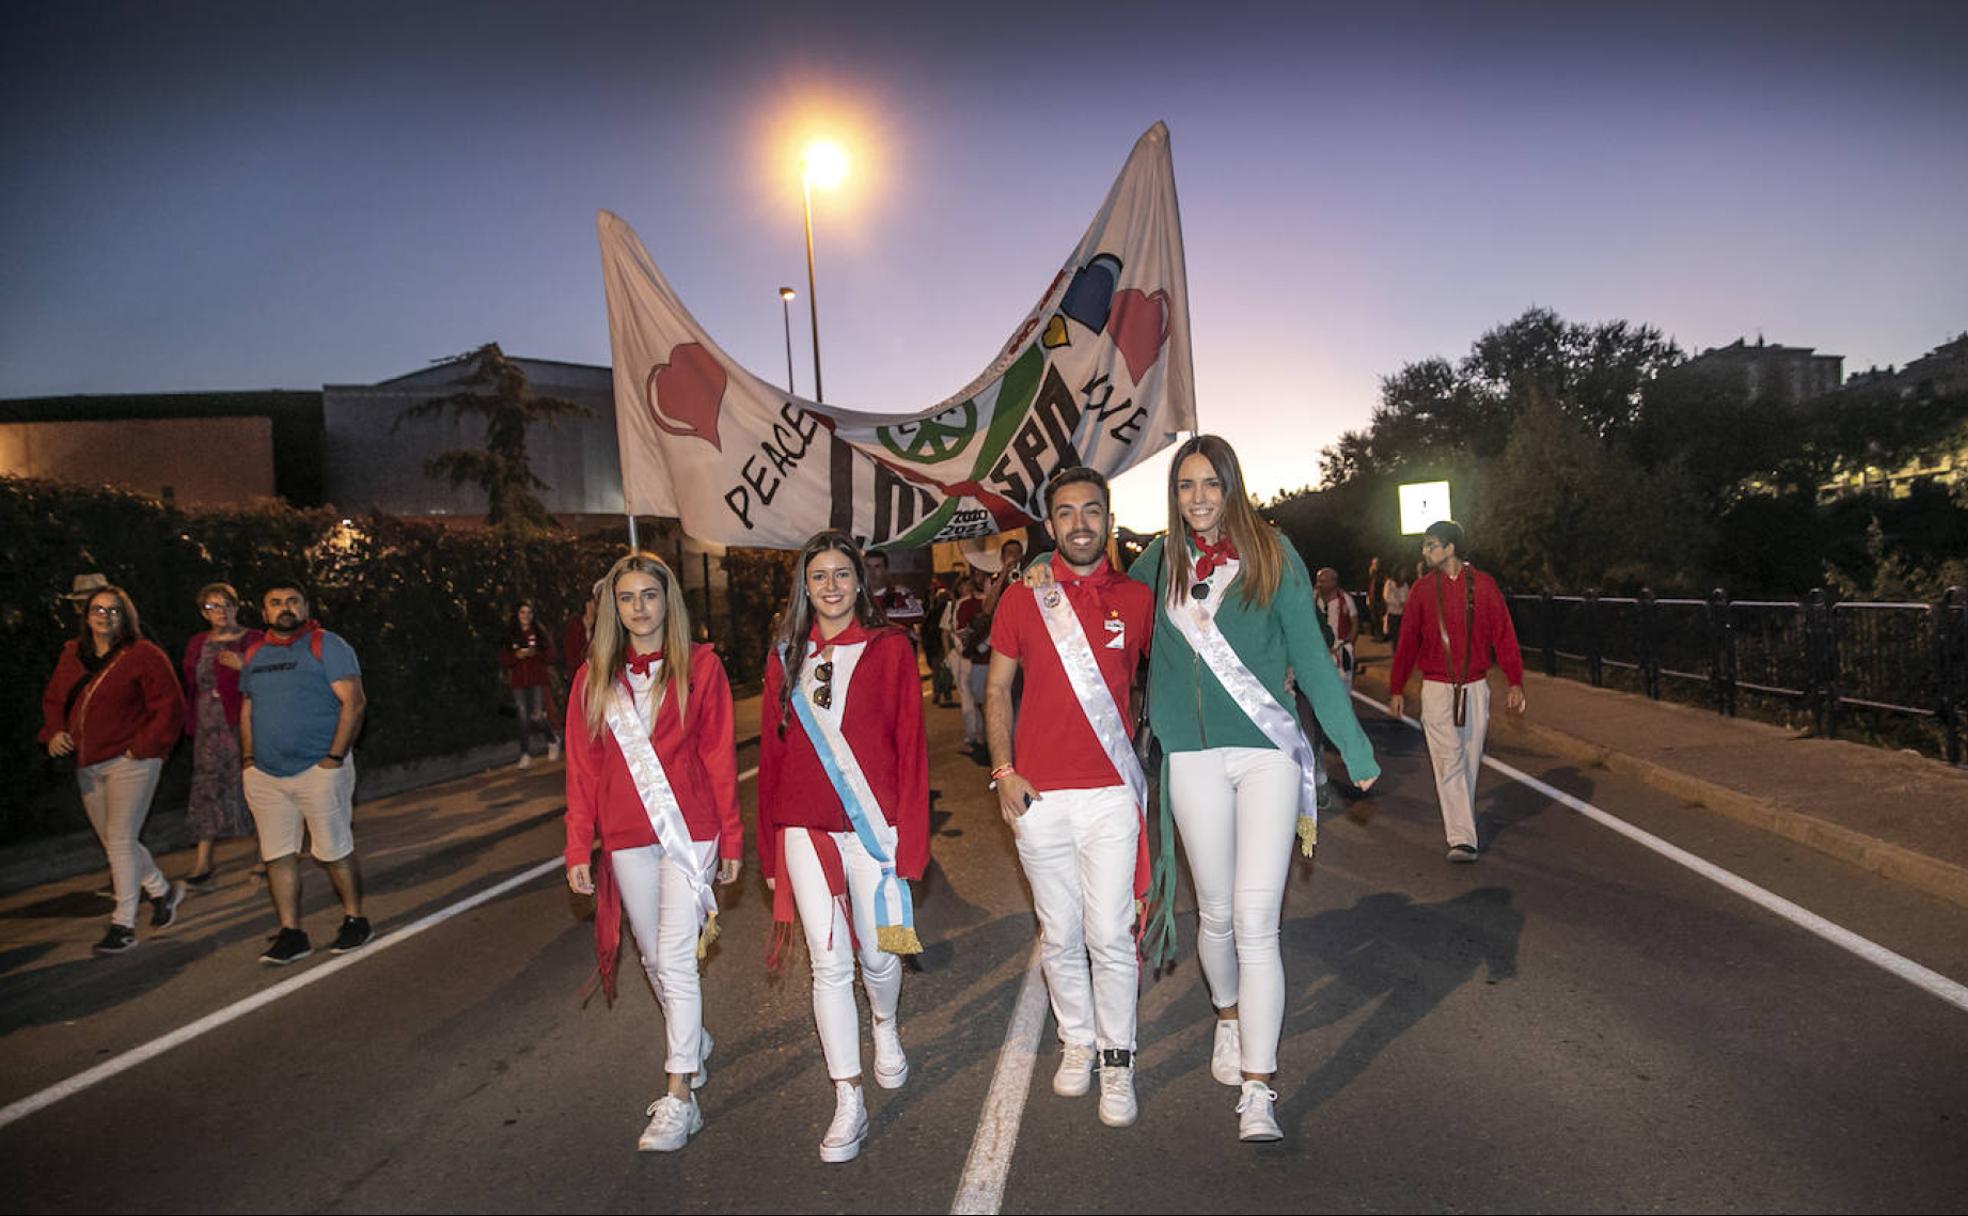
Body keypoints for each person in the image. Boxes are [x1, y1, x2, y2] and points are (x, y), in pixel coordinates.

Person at [1127, 434, 1378, 1142]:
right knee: (1215, 914)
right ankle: (1228, 1018)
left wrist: (1350, 744)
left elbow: (1310, 655)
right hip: (1194, 759)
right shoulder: (1161, 559)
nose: (1198, 498)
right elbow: (1104, 610)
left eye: (1211, 484)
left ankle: (1259, 1088)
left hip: (1266, 754)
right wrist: (1046, 577)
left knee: (1255, 918)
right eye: (1186, 486)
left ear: (1234, 487)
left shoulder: (1273, 554)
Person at [986, 467, 1153, 1128]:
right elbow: (996, 689)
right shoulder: (1024, 598)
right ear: (1049, 525)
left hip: (1111, 793)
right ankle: (1077, 1041)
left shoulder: (1139, 599)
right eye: (1066, 513)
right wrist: (1003, 769)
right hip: (1039, 797)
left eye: (1092, 511)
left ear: (1108, 520)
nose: (1079, 523)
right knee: (1060, 934)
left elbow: (1157, 685)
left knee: (1110, 932)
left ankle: (1118, 1057)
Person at [758, 530, 928, 1164]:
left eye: (841, 574)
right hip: (803, 827)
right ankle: (847, 1097)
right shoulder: (784, 655)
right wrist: (767, 848)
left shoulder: (890, 650)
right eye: (818, 576)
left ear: (861, 581)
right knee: (828, 963)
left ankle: (885, 1024)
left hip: (875, 831)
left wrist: (911, 845)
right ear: (805, 586)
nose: (830, 586)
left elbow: (911, 750)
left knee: (883, 955)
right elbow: (772, 758)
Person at [563, 552, 742, 1153]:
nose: (639, 607)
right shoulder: (593, 679)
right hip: (624, 835)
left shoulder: (702, 667)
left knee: (674, 960)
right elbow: (582, 769)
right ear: (613, 607)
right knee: (650, 958)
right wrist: (576, 844)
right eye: (627, 597)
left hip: (689, 830)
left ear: (669, 602)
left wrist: (733, 836)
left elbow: (720, 756)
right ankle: (693, 1043)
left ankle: (679, 1097)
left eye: (649, 595)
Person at [39, 584, 187, 954]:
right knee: (115, 840)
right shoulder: (73, 653)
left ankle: (123, 923)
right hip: (88, 763)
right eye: (98, 610)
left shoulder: (143, 654)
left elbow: (170, 705)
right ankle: (161, 890)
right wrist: (54, 732)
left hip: (131, 760)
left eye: (113, 611)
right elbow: (55, 698)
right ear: (86, 616)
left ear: (126, 616)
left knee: (120, 839)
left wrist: (144, 747)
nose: (104, 617)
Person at [239, 581, 370, 965]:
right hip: (266, 775)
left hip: (318, 768)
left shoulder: (328, 645)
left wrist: (333, 757)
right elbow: (248, 707)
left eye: (292, 601)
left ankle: (354, 919)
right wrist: (248, 759)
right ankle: (291, 932)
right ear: (264, 612)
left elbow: (354, 702)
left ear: (305, 606)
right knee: (277, 855)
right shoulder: (254, 654)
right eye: (275, 602)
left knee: (333, 850)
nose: (285, 608)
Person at [1387, 520, 1527, 863]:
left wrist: (1515, 680)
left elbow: (1503, 634)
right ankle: (1463, 837)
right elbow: (1407, 643)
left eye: (1431, 544)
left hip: (1475, 687)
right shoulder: (1421, 590)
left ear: (1450, 548)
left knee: (1467, 758)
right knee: (1448, 759)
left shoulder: (1484, 585)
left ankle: (1462, 825)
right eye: (1424, 545)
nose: (1424, 551)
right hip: (1436, 687)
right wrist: (1397, 687)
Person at [179, 582, 261, 890]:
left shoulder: (252, 639)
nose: (220, 612)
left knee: (248, 785)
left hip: (241, 722)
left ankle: (264, 855)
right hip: (207, 727)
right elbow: (191, 682)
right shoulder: (198, 642)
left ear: (236, 607)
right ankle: (203, 860)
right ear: (203, 613)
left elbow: (267, 676)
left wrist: (244, 667)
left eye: (225, 605)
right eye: (212, 607)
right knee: (206, 788)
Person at [500, 601, 561, 768]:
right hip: (518, 681)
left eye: (529, 613)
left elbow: (551, 656)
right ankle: (525, 753)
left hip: (537, 680)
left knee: (537, 715)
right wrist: (516, 656)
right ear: (517, 615)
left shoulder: (539, 633)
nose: (526, 616)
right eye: (522, 613)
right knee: (522, 714)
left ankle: (552, 739)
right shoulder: (511, 634)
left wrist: (537, 654)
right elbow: (504, 659)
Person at [949, 569, 989, 752]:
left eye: (985, 575)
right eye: (978, 575)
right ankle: (984, 737)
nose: (981, 579)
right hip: (978, 663)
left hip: (1003, 660)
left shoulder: (1003, 599)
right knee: (980, 703)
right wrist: (973, 648)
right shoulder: (965, 605)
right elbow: (960, 632)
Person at [1314, 567, 1359, 690]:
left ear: (1333, 582)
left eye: (1322, 581)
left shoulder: (1345, 599)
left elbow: (1355, 623)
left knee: (1342, 687)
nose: (1318, 585)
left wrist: (1348, 645)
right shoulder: (1313, 598)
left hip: (1339, 650)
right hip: (1320, 651)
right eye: (1318, 581)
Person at [923, 575, 955, 707]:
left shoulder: (942, 611)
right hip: (938, 646)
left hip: (940, 645)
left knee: (941, 671)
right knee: (943, 670)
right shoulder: (937, 612)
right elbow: (927, 630)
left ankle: (941, 693)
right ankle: (943, 693)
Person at [1382, 569, 1409, 644]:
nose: (1405, 574)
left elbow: (1408, 596)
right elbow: (1386, 597)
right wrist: (1399, 603)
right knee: (1395, 638)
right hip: (1393, 614)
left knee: (1402, 638)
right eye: (1403, 572)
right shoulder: (1389, 583)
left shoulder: (1405, 585)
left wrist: (1405, 604)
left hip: (1402, 614)